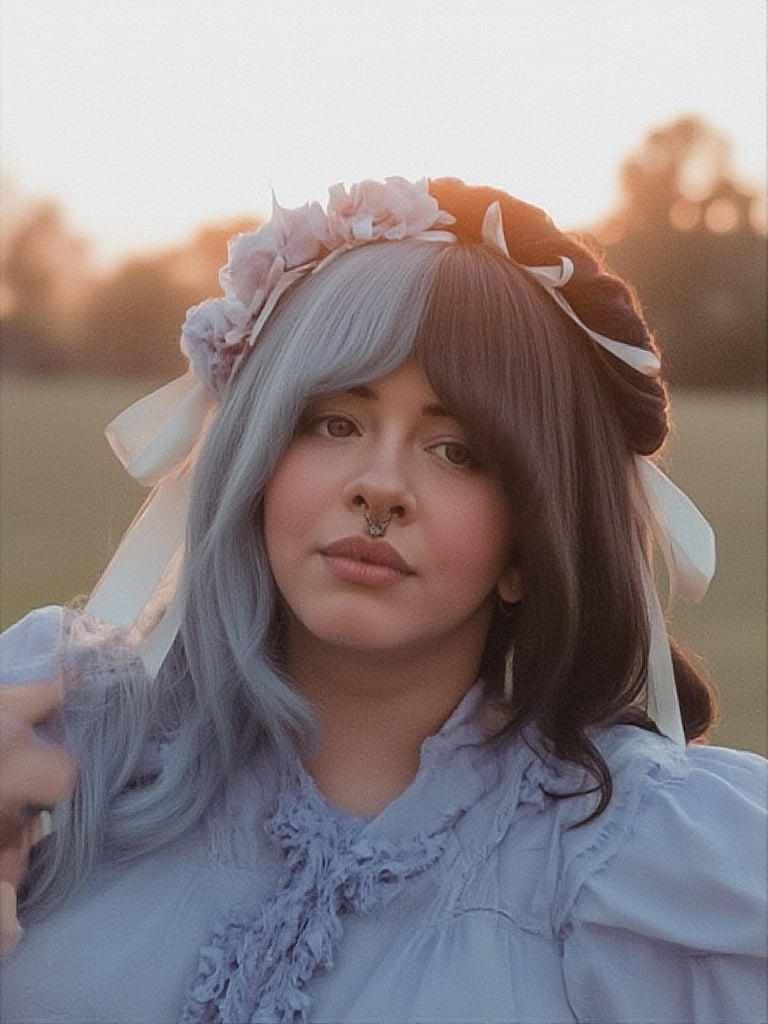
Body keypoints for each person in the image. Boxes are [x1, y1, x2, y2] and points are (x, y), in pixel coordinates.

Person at [0, 177, 765, 1024]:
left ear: (529, 545)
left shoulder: (639, 861)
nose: (381, 487)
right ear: (255, 461)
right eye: (335, 423)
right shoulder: (55, 734)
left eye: (457, 451)